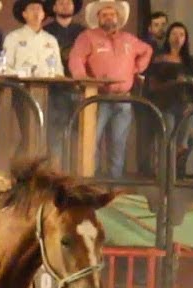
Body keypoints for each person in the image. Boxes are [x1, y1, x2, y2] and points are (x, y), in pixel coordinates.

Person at [69, 0, 151, 179]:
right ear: (98, 18)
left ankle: (114, 185)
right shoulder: (87, 37)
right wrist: (84, 79)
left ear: (118, 17)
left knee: (118, 143)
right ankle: (92, 182)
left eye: (112, 14)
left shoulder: (129, 39)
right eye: (104, 14)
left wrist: (136, 69)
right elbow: (76, 59)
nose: (109, 17)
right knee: (92, 142)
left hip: (123, 99)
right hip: (98, 98)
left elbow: (147, 50)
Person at [2, 0, 64, 154]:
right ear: (24, 14)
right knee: (28, 134)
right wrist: (20, 75)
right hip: (23, 93)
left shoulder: (51, 40)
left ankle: (43, 172)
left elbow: (59, 69)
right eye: (32, 9)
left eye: (39, 9)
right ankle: (21, 171)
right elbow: (4, 68)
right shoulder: (13, 37)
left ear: (44, 14)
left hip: (50, 94)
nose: (37, 12)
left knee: (47, 136)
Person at [146, 22, 193, 169]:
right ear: (168, 36)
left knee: (182, 142)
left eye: (182, 35)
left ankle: (174, 171)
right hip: (166, 102)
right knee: (167, 137)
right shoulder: (160, 58)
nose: (178, 38)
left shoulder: (190, 61)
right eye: (174, 34)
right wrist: (173, 82)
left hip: (184, 101)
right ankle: (163, 170)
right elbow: (153, 83)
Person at [43, 0, 85, 162]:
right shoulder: (45, 31)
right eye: (61, 2)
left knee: (78, 135)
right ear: (54, 7)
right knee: (55, 134)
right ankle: (56, 174)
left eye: (69, 2)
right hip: (55, 90)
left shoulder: (83, 32)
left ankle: (76, 175)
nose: (65, 5)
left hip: (79, 89)